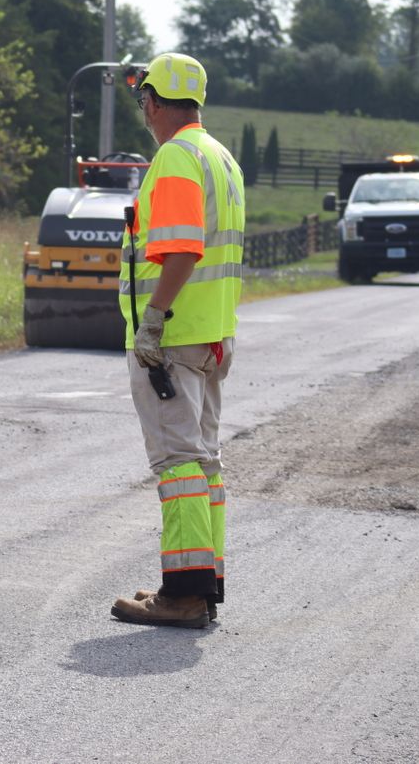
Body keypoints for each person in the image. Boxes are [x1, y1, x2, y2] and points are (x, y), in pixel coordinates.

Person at [111, 53, 245, 629]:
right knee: (204, 463)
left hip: (173, 337)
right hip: (211, 335)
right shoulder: (219, 156)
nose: (143, 110)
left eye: (143, 99)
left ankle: (184, 595)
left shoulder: (174, 157)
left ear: (153, 102)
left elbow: (183, 249)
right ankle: (200, 583)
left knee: (179, 463)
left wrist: (153, 319)